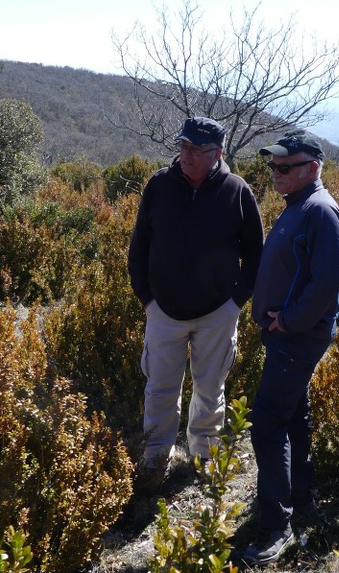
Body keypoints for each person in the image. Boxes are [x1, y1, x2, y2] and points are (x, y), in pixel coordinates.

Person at [128, 115, 264, 475]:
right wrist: (147, 299)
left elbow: (255, 253)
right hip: (163, 312)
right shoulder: (159, 184)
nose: (186, 155)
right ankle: (156, 457)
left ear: (217, 153)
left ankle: (204, 456)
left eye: (196, 149)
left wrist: (235, 303)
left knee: (209, 388)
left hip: (217, 312)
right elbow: (139, 245)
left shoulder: (236, 191)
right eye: (183, 146)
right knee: (159, 390)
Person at [242, 129, 339, 566]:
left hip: (296, 339)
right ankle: (300, 495)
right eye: (274, 166)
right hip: (287, 337)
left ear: (313, 168)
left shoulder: (320, 212)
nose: (276, 173)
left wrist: (288, 321)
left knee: (266, 423)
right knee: (293, 415)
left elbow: (327, 283)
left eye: (285, 167)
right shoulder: (297, 207)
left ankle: (275, 525)